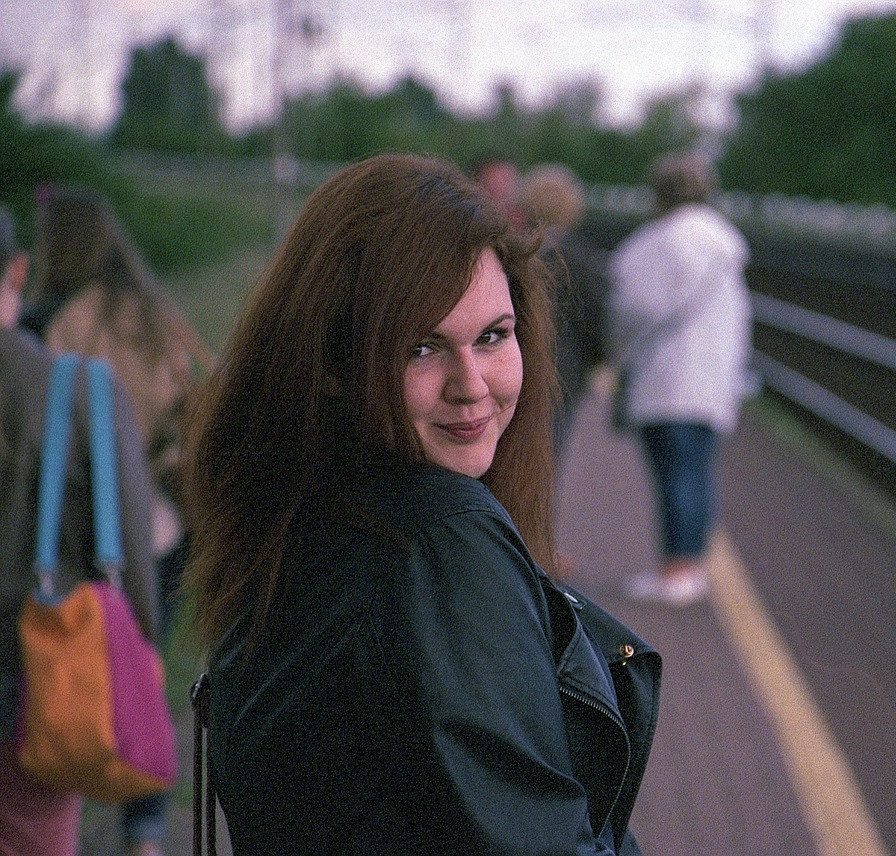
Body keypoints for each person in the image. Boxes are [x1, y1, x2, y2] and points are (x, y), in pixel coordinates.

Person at [183, 153, 661, 854]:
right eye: (422, 348)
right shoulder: (441, 542)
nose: (471, 384)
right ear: (333, 362)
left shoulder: (297, 509)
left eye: (493, 337)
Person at [23, 187, 210, 856]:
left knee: (63, 668)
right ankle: (147, 836)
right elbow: (186, 404)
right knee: (139, 672)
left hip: (70, 534)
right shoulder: (153, 315)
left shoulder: (49, 322)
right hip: (160, 526)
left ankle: (60, 805)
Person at [0, 205, 159, 856]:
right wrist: (140, 643)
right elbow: (133, 552)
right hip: (34, 682)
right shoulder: (78, 393)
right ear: (16, 270)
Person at [608, 152, 754, 607]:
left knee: (674, 474)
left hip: (665, 377)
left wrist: (615, 353)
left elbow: (630, 308)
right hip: (711, 381)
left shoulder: (653, 244)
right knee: (697, 471)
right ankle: (690, 565)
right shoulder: (726, 246)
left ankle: (676, 572)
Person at [521, 163, 610, 457]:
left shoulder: (520, 251)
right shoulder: (580, 256)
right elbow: (597, 315)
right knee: (548, 463)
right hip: (564, 373)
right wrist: (598, 358)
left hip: (520, 368)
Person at [471, 154, 527, 232]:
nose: (509, 189)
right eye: (501, 181)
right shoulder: (475, 227)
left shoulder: (532, 224)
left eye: (508, 180)